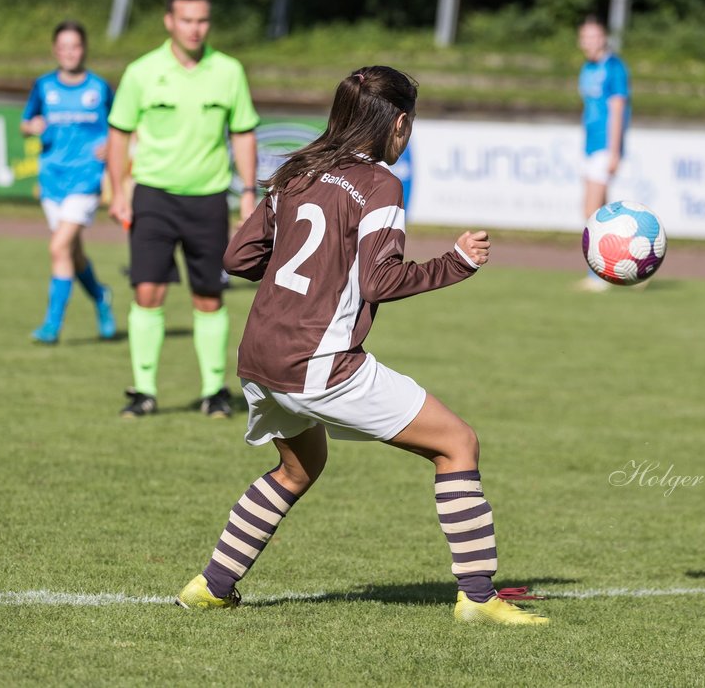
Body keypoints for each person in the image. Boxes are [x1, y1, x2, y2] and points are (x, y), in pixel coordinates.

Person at [174, 66, 549, 626]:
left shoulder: (298, 169)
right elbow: (381, 281)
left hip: (259, 356)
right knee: (457, 444)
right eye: (410, 125)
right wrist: (458, 263)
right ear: (398, 123)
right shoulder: (380, 185)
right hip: (319, 361)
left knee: (300, 469)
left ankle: (211, 585)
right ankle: (476, 597)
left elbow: (237, 259)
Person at [106, 0, 259, 419]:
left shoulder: (229, 71)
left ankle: (214, 391)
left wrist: (247, 192)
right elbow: (119, 133)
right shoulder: (141, 72)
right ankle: (143, 391)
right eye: (187, 20)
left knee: (209, 296)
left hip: (209, 199)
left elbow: (243, 132)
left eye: (203, 20)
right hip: (153, 196)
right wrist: (119, 191)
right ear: (169, 21)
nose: (195, 28)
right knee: (147, 291)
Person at [21, 20, 116, 344]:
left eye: (75, 46)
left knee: (58, 246)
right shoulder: (43, 86)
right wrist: (31, 126)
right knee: (71, 254)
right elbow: (25, 121)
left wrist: (113, 146)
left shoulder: (100, 88)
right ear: (55, 51)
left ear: (84, 48)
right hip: (52, 180)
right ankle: (101, 297)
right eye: (63, 47)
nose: (69, 52)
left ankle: (51, 325)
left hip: (86, 178)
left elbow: (123, 126)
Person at [576, 15, 631, 292]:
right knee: (607, 214)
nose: (590, 42)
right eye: (585, 37)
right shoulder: (586, 68)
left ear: (604, 38)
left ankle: (598, 274)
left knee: (591, 210)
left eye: (594, 36)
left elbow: (618, 109)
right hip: (590, 145)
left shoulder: (614, 67)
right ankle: (628, 265)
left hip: (604, 146)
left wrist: (614, 150)